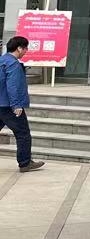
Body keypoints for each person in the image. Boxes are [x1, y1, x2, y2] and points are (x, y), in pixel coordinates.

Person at [0, 36, 41, 173]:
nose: (26, 51)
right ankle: (25, 163)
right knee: (23, 133)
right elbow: (13, 86)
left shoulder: (2, 60)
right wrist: (16, 105)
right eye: (25, 48)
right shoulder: (13, 64)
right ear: (19, 48)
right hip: (8, 106)